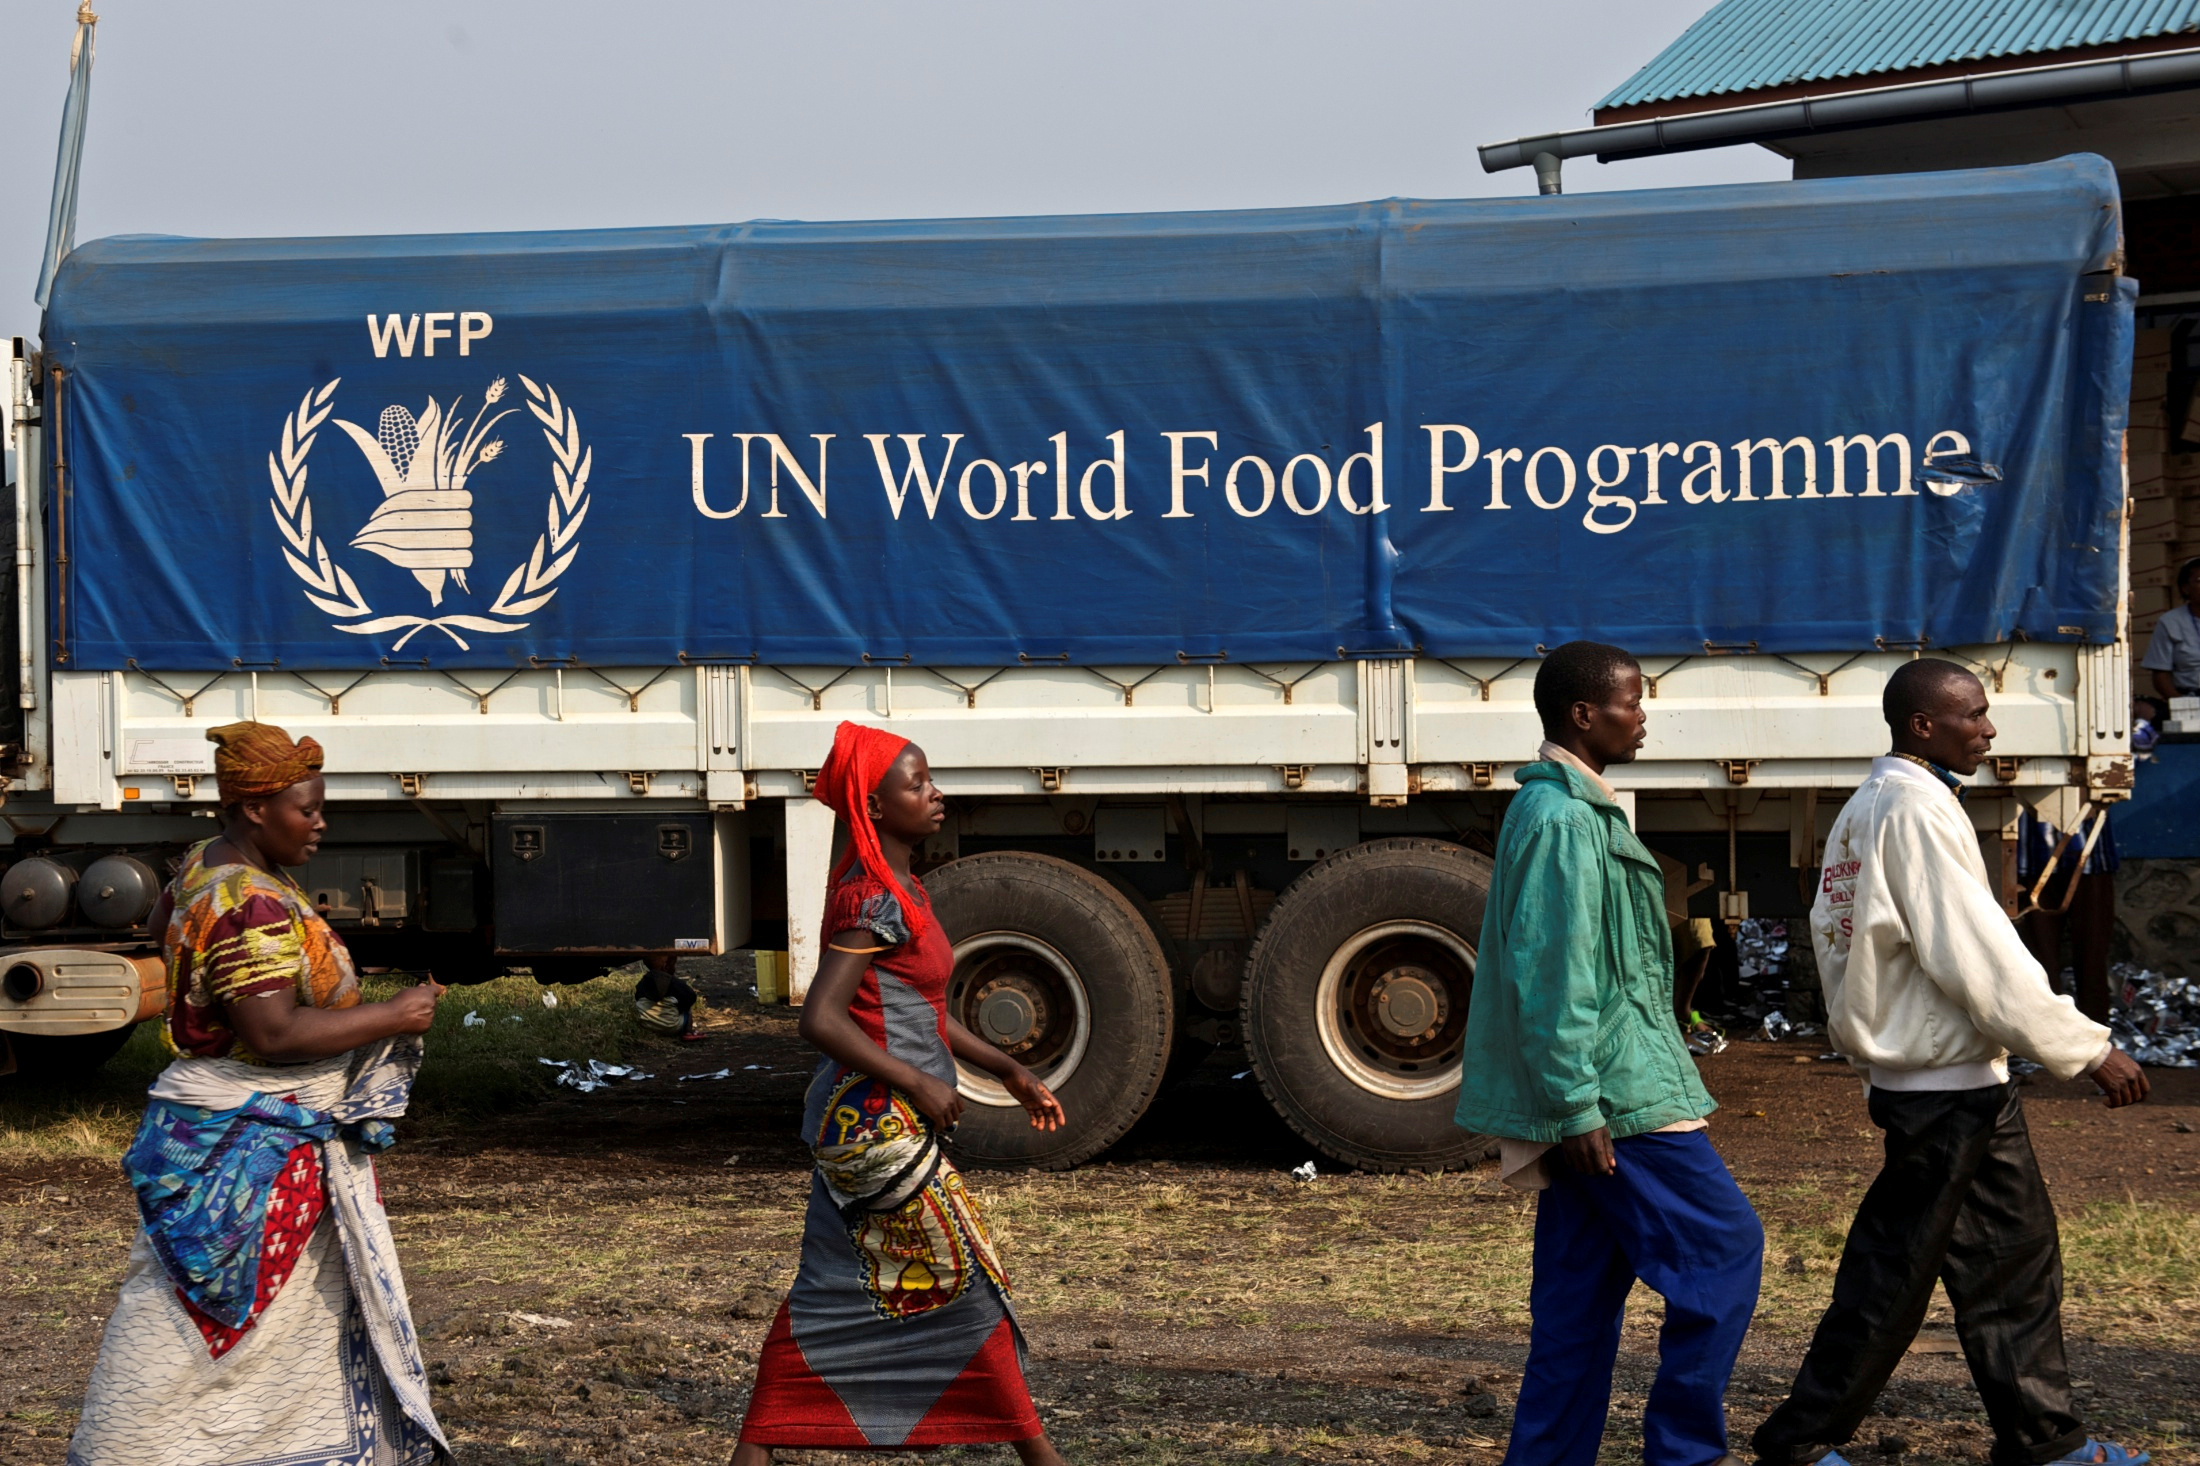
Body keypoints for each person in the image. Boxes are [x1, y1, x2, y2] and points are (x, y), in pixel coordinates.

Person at [1752, 660, 2150, 1466]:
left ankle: (2045, 1440)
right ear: (1922, 726)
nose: (1989, 728)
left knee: (2013, 1261)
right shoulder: (1911, 810)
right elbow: (1977, 956)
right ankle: (1799, 1441)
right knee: (1892, 1275)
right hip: (1941, 1091)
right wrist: (2088, 1048)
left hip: (1958, 1082)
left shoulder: (1880, 804)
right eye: (1972, 714)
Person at [69, 721, 449, 1466]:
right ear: (253, 809)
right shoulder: (251, 904)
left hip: (232, 1132)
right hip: (258, 1148)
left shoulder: (200, 869)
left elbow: (164, 931)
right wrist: (396, 1014)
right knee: (212, 1329)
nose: (320, 822)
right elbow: (271, 1032)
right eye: (305, 810)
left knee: (262, 1329)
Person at [1454, 641, 1763, 1466]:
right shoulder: (1561, 819)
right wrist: (1575, 1104)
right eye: (1633, 701)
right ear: (1584, 715)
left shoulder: (1566, 807)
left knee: (1576, 1310)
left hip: (1595, 1096)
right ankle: (1685, 1455)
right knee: (1726, 1251)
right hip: (1615, 1097)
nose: (1644, 715)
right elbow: (1554, 976)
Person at [731, 721, 1068, 1465]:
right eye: (917, 784)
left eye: (929, 779)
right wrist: (916, 1079)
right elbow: (819, 1019)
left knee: (825, 1290)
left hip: (874, 1126)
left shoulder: (898, 889)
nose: (935, 794)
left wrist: (1007, 1068)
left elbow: (921, 1012)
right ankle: (1042, 1458)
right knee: (969, 1282)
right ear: (876, 808)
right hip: (878, 1131)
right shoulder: (871, 901)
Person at [2016, 806, 2119, 1024]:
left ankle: (2097, 1033)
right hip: (2031, 856)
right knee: (2038, 961)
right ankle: (2049, 1033)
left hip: (2090, 854)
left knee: (2093, 955)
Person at [2140, 557, 2200, 702]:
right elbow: (2160, 675)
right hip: (2190, 699)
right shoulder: (2170, 622)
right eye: (2199, 580)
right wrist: (2183, 705)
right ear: (2185, 588)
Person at [634, 953, 705, 1040]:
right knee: (687, 1009)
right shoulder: (675, 984)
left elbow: (637, 998)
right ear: (666, 966)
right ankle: (688, 1032)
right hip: (672, 1027)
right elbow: (691, 997)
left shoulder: (643, 982)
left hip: (646, 1025)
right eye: (674, 964)